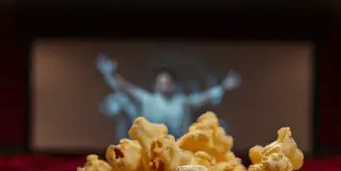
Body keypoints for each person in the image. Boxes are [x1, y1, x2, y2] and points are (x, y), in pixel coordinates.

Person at [96, 55, 241, 138]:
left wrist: (224, 86)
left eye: (167, 82)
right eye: (160, 82)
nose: (164, 85)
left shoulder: (182, 102)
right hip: (151, 151)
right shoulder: (147, 98)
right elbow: (125, 87)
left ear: (173, 85)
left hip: (177, 150)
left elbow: (205, 97)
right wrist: (111, 73)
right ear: (155, 85)